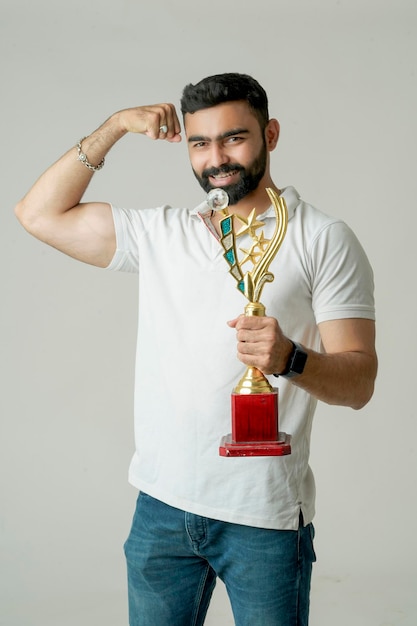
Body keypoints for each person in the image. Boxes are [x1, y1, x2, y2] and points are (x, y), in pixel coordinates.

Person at [14, 73, 377, 626]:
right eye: (199, 142)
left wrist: (289, 359)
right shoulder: (162, 232)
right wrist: (114, 126)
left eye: (234, 138)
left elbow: (359, 382)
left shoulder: (322, 237)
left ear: (271, 134)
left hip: (264, 516)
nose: (217, 158)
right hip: (161, 509)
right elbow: (37, 214)